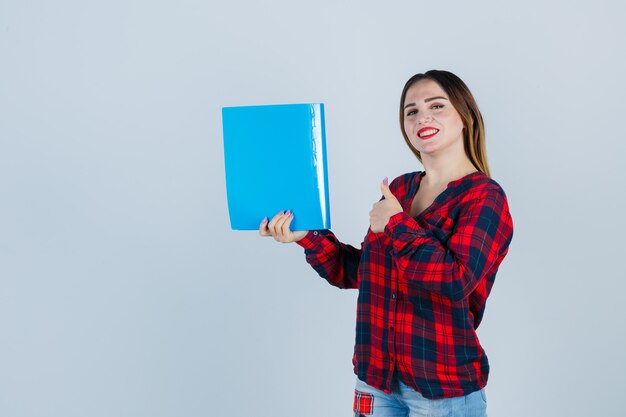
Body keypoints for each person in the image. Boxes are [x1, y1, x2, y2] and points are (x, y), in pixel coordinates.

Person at [259, 70, 514, 417]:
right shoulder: (400, 189)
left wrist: (394, 223)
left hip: (442, 391)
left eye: (436, 106)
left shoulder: (484, 197)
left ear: (465, 117)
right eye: (411, 111)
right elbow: (362, 273)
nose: (422, 116)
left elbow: (454, 280)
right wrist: (306, 237)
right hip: (376, 383)